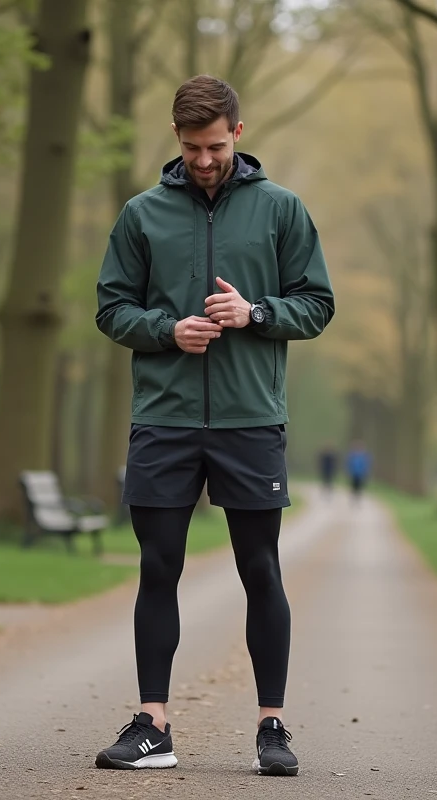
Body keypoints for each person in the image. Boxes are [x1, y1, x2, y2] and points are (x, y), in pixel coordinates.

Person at [92, 74, 334, 776]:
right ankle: (153, 725)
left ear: (239, 131)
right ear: (177, 138)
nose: (205, 160)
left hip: (250, 418)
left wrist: (254, 314)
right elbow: (111, 310)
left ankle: (273, 728)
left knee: (260, 567)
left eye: (217, 145)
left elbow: (316, 304)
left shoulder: (281, 211)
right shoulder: (141, 215)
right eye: (194, 147)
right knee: (158, 565)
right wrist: (169, 330)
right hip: (163, 419)